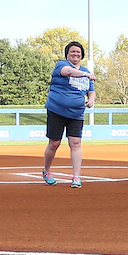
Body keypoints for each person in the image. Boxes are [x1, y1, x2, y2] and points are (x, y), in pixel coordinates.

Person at [42, 41, 96, 189]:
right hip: (56, 110)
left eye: (78, 52)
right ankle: (46, 171)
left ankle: (76, 176)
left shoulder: (85, 72)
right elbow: (69, 72)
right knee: (54, 143)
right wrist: (86, 74)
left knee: (76, 143)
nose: (75, 54)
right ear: (67, 54)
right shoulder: (62, 65)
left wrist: (91, 100)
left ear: (82, 55)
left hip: (76, 113)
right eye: (72, 51)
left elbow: (91, 90)